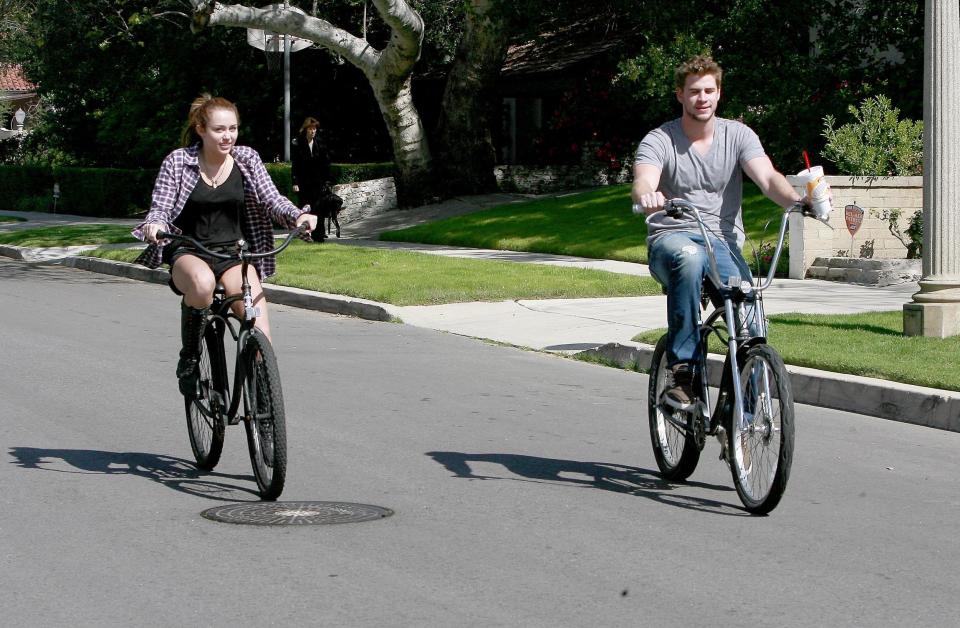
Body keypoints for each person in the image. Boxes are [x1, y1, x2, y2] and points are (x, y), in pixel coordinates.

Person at [632, 54, 806, 410]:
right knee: (690, 257)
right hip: (672, 236)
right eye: (694, 91)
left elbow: (769, 179)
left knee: (749, 309)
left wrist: (798, 201)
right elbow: (643, 178)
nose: (703, 98)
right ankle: (682, 375)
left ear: (719, 93)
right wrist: (648, 195)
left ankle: (745, 408)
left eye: (709, 90)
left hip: (722, 243)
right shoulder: (660, 139)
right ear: (680, 94)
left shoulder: (738, 135)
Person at [133, 94, 317, 397]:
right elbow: (161, 207)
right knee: (203, 285)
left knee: (257, 324)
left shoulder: (246, 159)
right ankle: (190, 358)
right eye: (219, 129)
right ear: (201, 128)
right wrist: (155, 225)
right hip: (188, 250)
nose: (227, 136)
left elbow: (271, 199)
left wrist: (298, 216)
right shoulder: (179, 162)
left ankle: (263, 403)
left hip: (234, 253)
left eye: (232, 128)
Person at [291, 116, 341, 240]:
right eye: (310, 129)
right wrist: (295, 182)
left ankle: (319, 236)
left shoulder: (320, 144)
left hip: (318, 183)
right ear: (306, 130)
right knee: (305, 209)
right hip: (304, 183)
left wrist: (328, 181)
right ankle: (305, 234)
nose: (313, 131)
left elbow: (326, 163)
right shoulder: (299, 145)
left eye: (314, 129)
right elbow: (295, 165)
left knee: (319, 209)